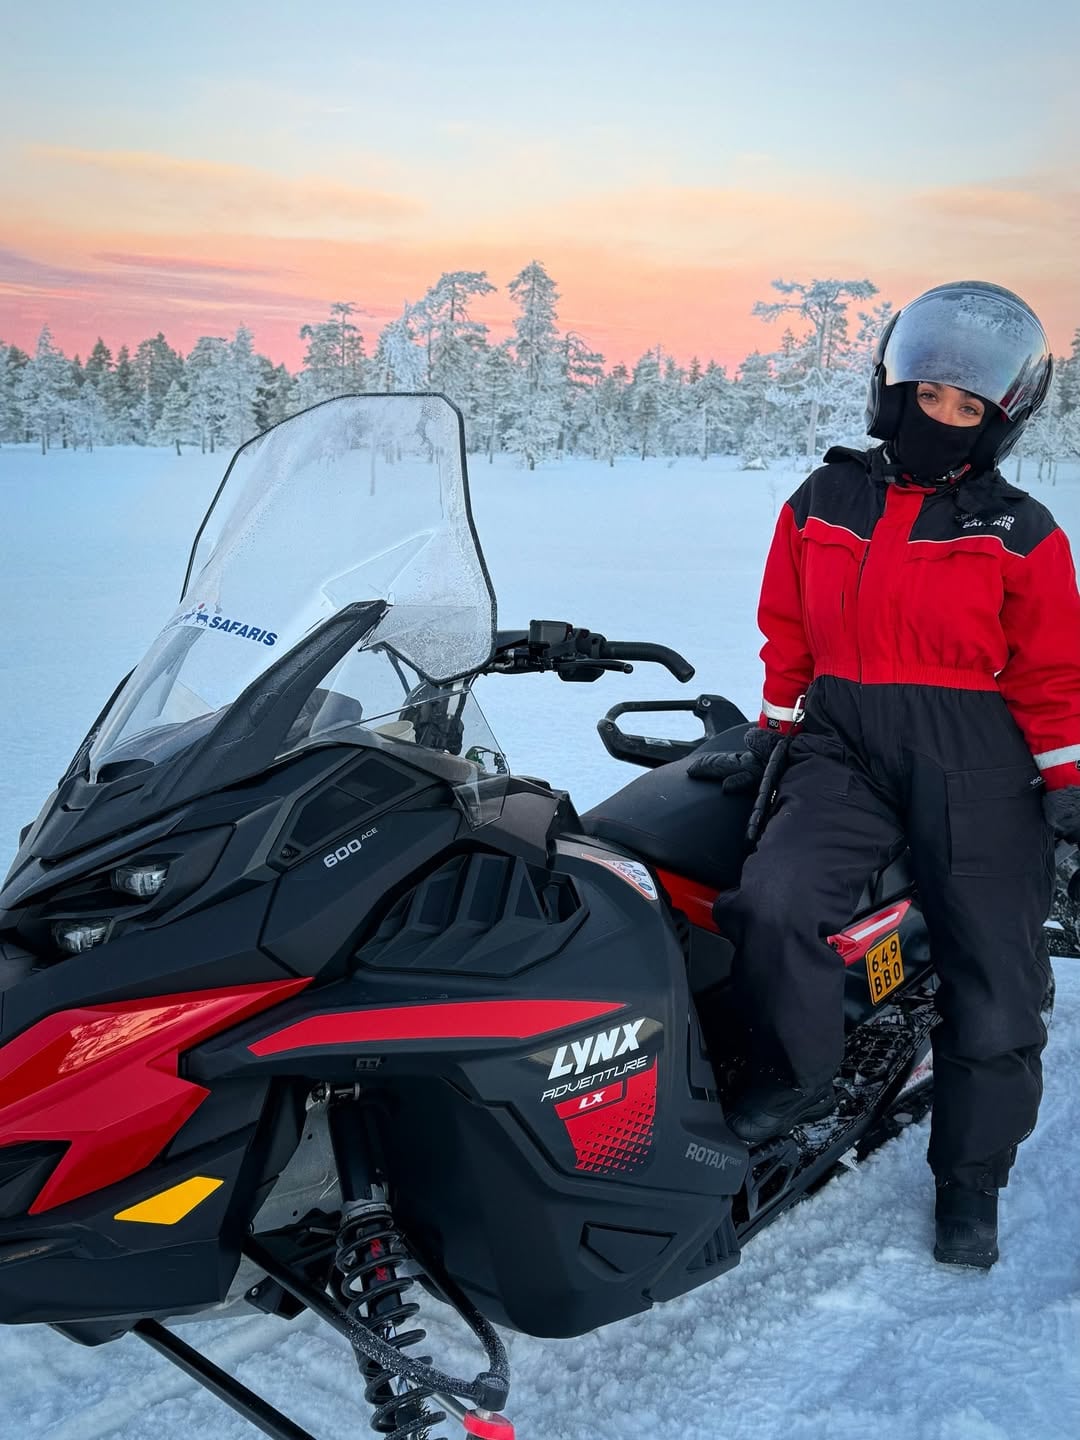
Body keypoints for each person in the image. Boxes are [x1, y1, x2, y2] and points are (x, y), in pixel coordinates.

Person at [694, 280, 1080, 1269]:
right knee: (775, 903)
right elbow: (787, 625)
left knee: (995, 977)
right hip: (845, 744)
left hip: (979, 759)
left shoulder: (1020, 530)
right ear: (892, 391)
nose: (940, 418)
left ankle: (971, 1178)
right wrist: (777, 728)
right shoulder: (824, 497)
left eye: (967, 407)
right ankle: (799, 1081)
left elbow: (1051, 672)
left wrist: (1066, 779)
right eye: (929, 395)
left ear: (998, 422)